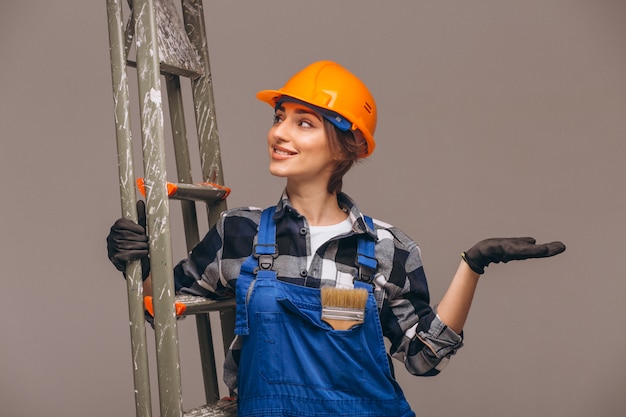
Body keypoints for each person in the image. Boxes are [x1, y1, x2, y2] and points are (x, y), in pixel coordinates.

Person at [107, 60, 566, 417]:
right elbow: (164, 306)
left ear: (345, 146)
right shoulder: (240, 233)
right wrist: (140, 266)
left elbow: (424, 358)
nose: (279, 133)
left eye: (303, 123)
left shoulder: (387, 247)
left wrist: (473, 264)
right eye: (279, 117)